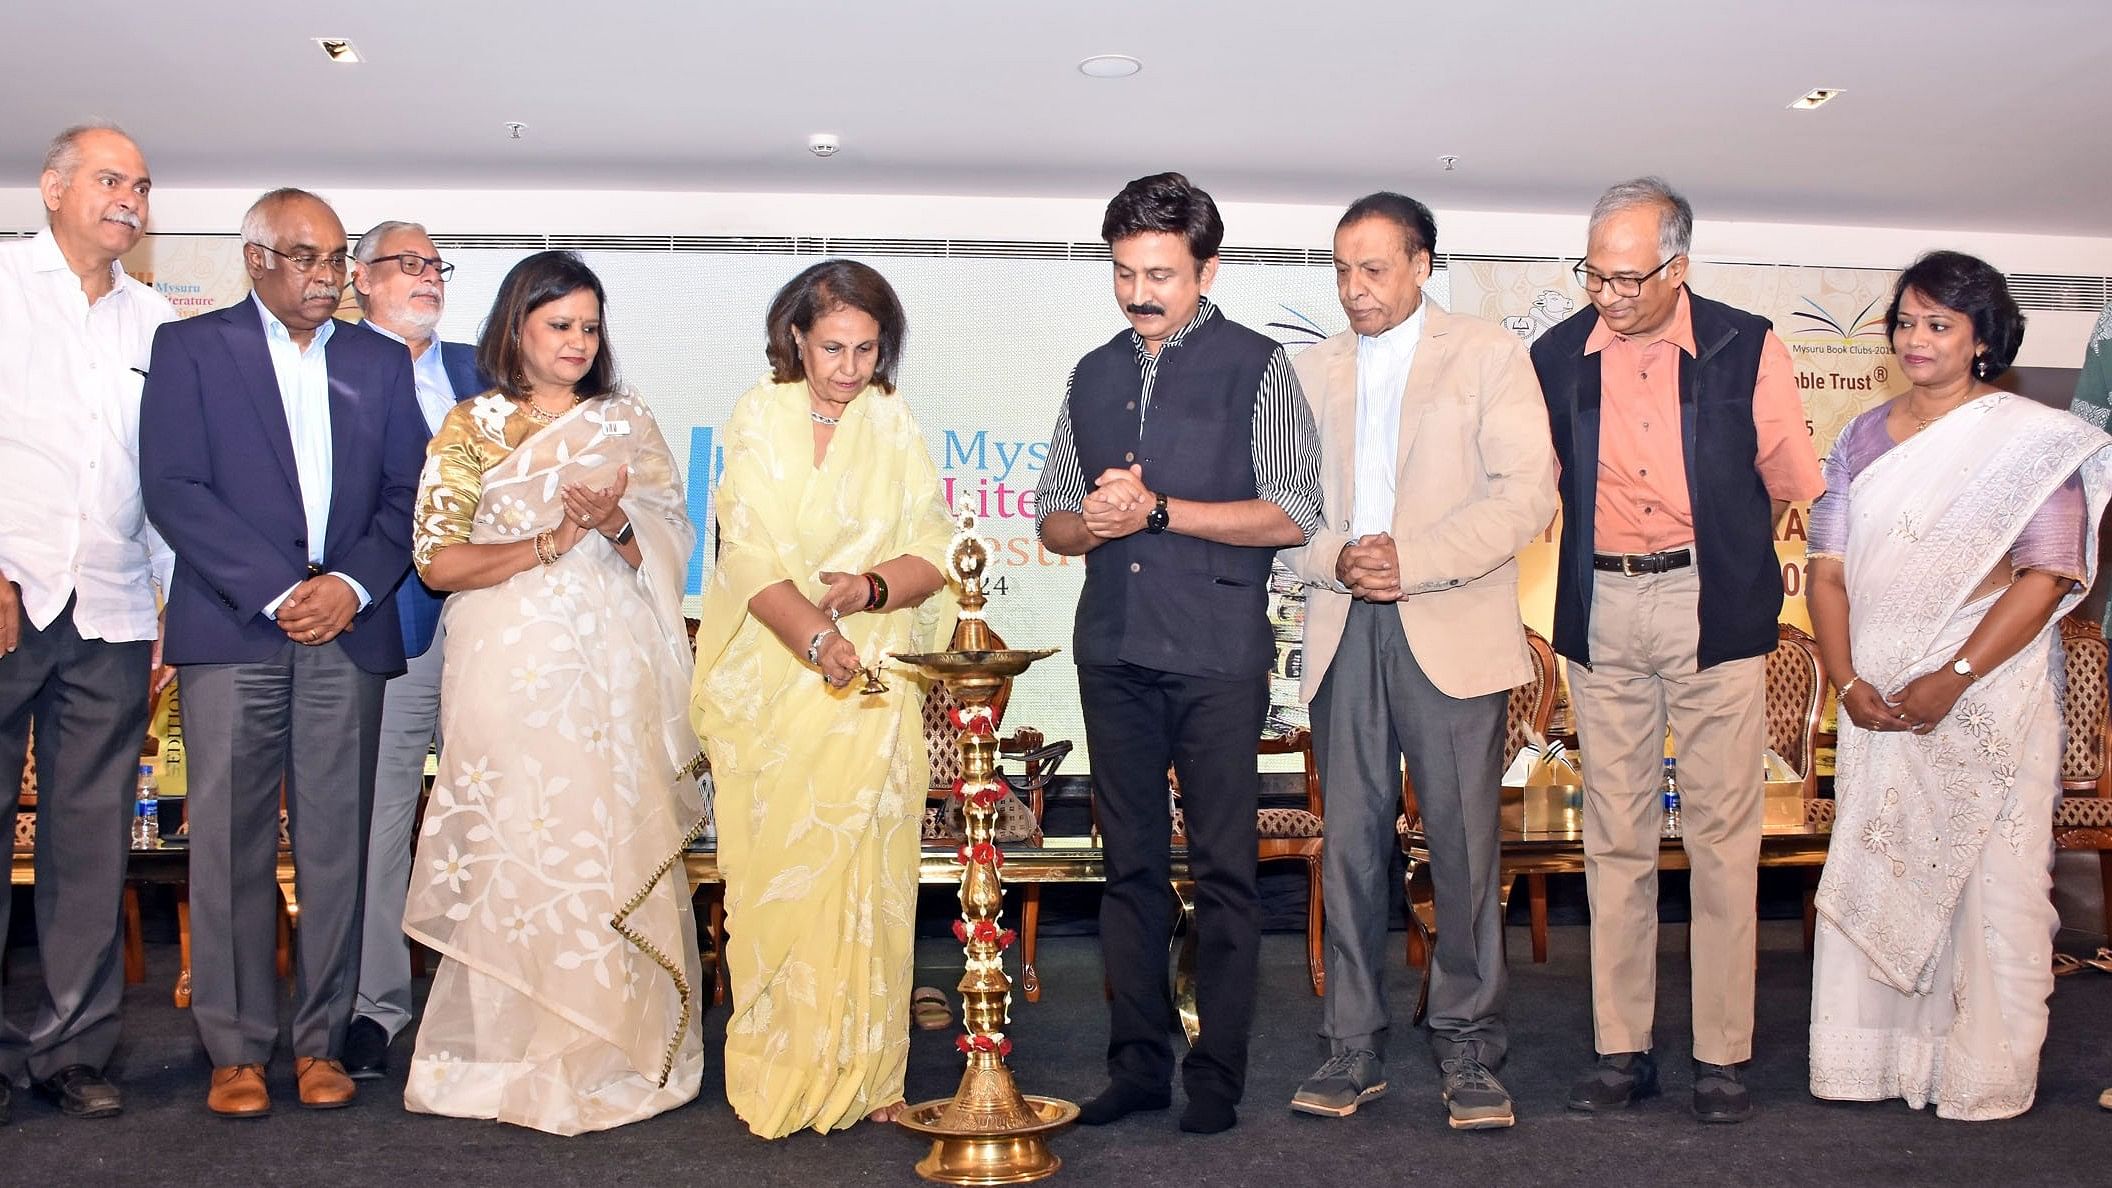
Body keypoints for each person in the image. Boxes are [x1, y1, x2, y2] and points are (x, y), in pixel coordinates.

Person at [1528, 177, 1824, 1123]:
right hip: (1601, 605)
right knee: (1614, 835)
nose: (1608, 296)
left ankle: (1722, 1055)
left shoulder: (1747, 344)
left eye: (1627, 279)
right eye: (1594, 277)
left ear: (1678, 267)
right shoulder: (1555, 356)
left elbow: (1793, 480)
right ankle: (1623, 1047)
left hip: (1713, 604)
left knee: (1722, 838)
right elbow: (1528, 486)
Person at [1034, 172, 1322, 1135]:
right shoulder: (1092, 372)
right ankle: (1138, 1067)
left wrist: (1159, 510)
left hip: (1214, 653)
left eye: (1158, 272)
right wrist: (1098, 519)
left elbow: (1293, 512)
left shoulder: (1260, 365)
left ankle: (1217, 1078)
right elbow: (1053, 525)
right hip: (1112, 647)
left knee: (1226, 872)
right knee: (1129, 871)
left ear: (1205, 269)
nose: (1137, 292)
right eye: (1124, 272)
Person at [398, 251, 704, 1135]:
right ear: (517, 328)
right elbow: (437, 560)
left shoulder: (625, 421)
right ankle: (506, 1051)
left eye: (589, 326)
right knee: (513, 847)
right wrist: (550, 539)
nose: (577, 342)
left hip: (612, 674)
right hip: (506, 666)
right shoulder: (472, 424)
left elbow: (669, 548)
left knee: (603, 841)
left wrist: (611, 521)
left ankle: (613, 1051)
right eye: (558, 324)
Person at [140, 188, 427, 1117]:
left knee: (338, 844)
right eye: (306, 257)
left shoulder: (380, 361)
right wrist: (276, 589)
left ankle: (318, 1043)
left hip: (347, 626)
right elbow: (174, 488)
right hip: (234, 628)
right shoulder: (191, 348)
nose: (327, 276)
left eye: (338, 258)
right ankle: (235, 1050)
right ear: (255, 257)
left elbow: (408, 496)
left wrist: (346, 587)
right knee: (228, 842)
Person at [1807, 251, 2112, 1120]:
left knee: (1990, 878)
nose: (1915, 339)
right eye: (1905, 322)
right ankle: (1877, 1062)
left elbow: (2049, 574)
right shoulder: (1861, 436)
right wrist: (1846, 678)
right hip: (1878, 701)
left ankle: (1980, 1073)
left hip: (1987, 693)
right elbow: (1826, 570)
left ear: (1984, 338)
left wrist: (1956, 674)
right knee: (1883, 859)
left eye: (1938, 323)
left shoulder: (2033, 441)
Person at [1279, 193, 1556, 1129]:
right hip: (1344, 625)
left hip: (1451, 623)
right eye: (1343, 270)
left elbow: (1528, 494)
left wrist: (1416, 560)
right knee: (1350, 848)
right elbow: (1275, 515)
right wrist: (1336, 558)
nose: (1355, 290)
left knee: (1465, 850)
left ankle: (1470, 1050)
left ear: (1423, 264)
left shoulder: (1488, 355)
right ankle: (1351, 1047)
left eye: (1375, 269)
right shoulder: (1303, 371)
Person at [690, 259, 955, 1138]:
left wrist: (872, 591)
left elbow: (937, 552)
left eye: (866, 348)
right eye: (832, 346)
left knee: (868, 886)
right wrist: (816, 639)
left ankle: (873, 1075)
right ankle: (781, 1070)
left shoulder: (893, 421)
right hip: (777, 680)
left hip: (874, 692)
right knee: (780, 887)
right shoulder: (757, 416)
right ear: (795, 337)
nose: (847, 366)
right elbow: (750, 560)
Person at [0, 122, 176, 1123]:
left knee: (90, 842)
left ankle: (71, 1048)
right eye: (112, 179)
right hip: (7, 598)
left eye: (143, 186)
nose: (131, 198)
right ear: (53, 188)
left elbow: (161, 479)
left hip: (111, 609)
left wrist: (163, 604)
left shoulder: (156, 321)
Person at [340, 221, 486, 1081]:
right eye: (406, 264)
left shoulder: (483, 373)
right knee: (379, 826)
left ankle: (486, 998)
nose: (427, 277)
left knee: (494, 822)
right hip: (383, 630)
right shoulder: (334, 368)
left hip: (489, 633)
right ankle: (374, 1008)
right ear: (361, 280)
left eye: (436, 265)